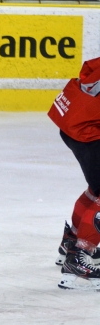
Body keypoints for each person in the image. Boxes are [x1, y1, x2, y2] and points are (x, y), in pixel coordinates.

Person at [48, 56, 100, 291]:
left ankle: (72, 242)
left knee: (96, 189)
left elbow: (88, 70)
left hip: (73, 124)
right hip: (85, 131)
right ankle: (80, 258)